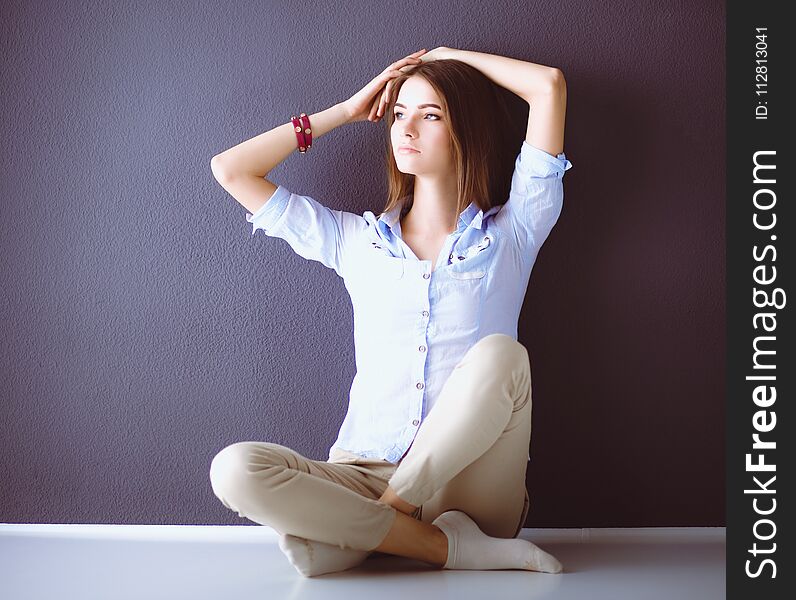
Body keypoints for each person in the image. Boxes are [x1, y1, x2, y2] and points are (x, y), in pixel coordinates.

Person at [209, 46, 573, 577]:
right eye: (399, 113)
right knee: (235, 470)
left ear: (465, 129)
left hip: (473, 482)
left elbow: (548, 87)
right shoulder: (355, 241)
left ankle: (376, 528)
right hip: (363, 470)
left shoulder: (513, 233)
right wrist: (348, 110)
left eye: (430, 116)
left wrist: (449, 55)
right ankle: (444, 548)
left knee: (502, 356)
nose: (406, 129)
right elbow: (231, 170)